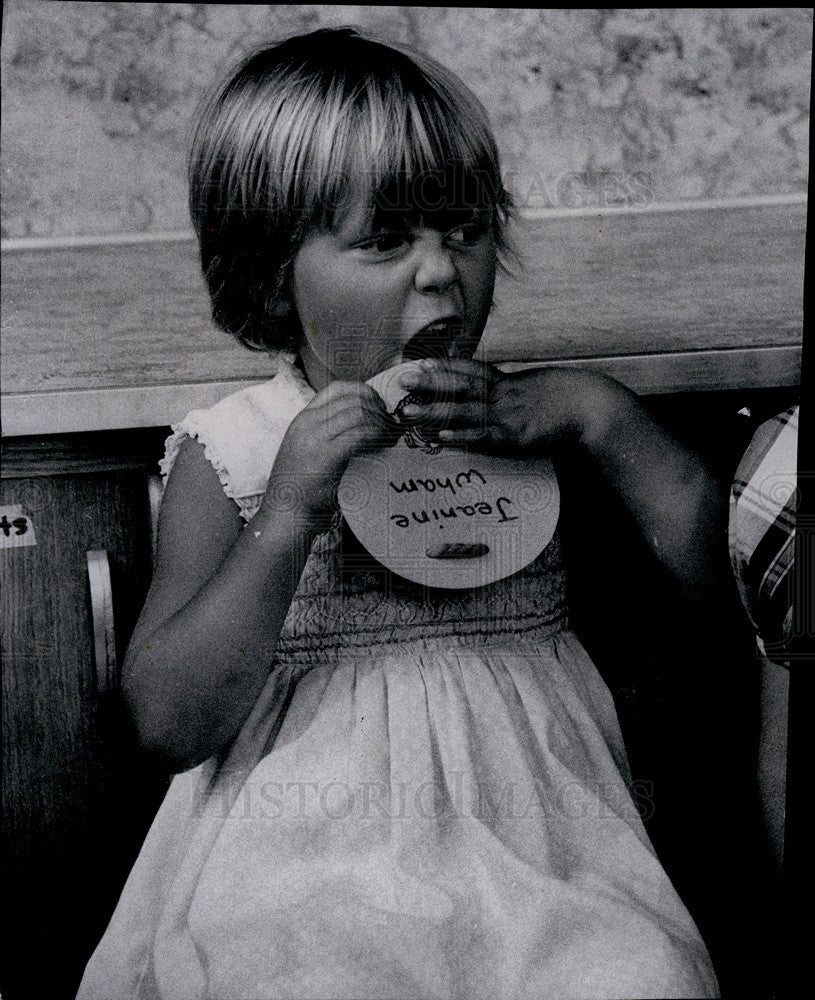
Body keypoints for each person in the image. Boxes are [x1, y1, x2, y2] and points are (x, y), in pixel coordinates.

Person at [77, 28, 725, 999]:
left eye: (460, 230)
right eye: (385, 239)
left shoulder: (521, 424)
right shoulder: (243, 451)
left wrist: (598, 414)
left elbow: (719, 581)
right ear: (268, 277)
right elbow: (167, 721)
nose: (440, 271)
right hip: (303, 864)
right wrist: (289, 510)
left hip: (540, 857)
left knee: (643, 977)